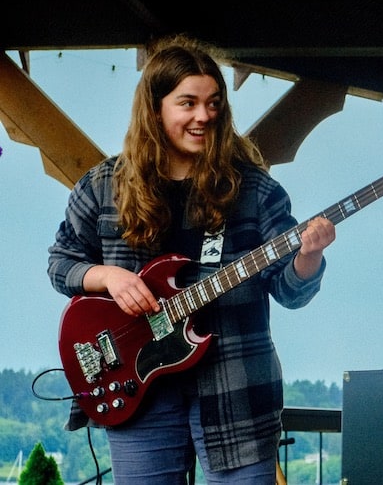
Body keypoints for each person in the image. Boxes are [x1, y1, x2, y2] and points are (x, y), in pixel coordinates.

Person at [48, 35, 336, 484]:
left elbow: (290, 290)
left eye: (214, 103)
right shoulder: (103, 186)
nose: (204, 116)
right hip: (134, 386)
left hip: (237, 391)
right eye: (188, 103)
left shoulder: (255, 191)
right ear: (155, 108)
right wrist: (108, 277)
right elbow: (62, 262)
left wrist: (309, 258)